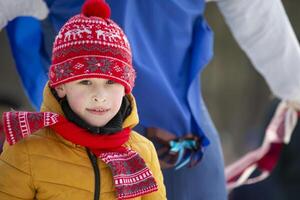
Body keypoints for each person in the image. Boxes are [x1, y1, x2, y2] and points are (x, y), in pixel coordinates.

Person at [3, 0, 300, 199]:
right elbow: (259, 18)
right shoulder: (28, 156)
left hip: (180, 150)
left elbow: (257, 15)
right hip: (176, 147)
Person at [0, 0, 166, 199]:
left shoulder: (142, 151)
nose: (99, 96)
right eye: (85, 82)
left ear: (125, 88)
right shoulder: (26, 148)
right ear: (61, 85)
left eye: (111, 82)